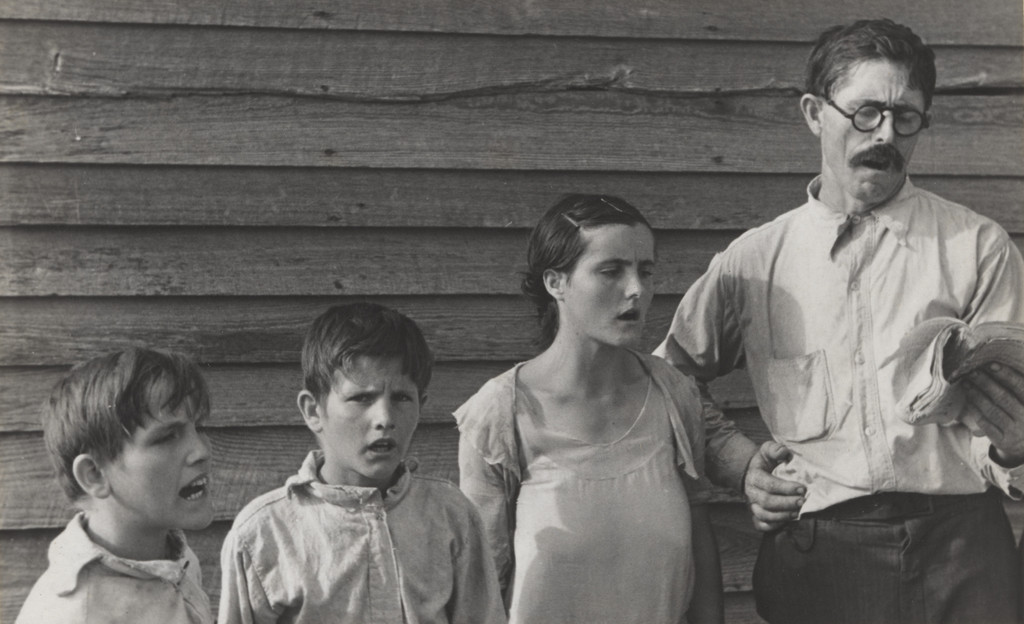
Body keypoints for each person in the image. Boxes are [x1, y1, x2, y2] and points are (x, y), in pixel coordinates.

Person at [655, 19, 1024, 623]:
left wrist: (1015, 450)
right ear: (813, 113)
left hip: (962, 552)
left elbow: (1005, 424)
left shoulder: (977, 248)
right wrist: (742, 465)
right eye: (866, 112)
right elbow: (669, 381)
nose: (886, 135)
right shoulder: (755, 262)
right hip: (820, 554)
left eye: (907, 117)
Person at [456, 194, 753, 624]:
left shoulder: (673, 395)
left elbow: (697, 545)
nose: (636, 289)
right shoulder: (501, 413)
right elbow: (478, 583)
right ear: (556, 282)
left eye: (645, 271)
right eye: (611, 271)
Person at [218, 302, 505, 624]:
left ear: (421, 407)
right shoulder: (264, 533)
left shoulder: (451, 516)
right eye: (361, 398)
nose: (384, 418)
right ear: (313, 411)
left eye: (401, 398)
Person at [16, 348, 215, 624]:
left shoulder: (170, 554)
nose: (201, 450)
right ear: (94, 474)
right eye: (168, 437)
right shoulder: (72, 614)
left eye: (198, 427)